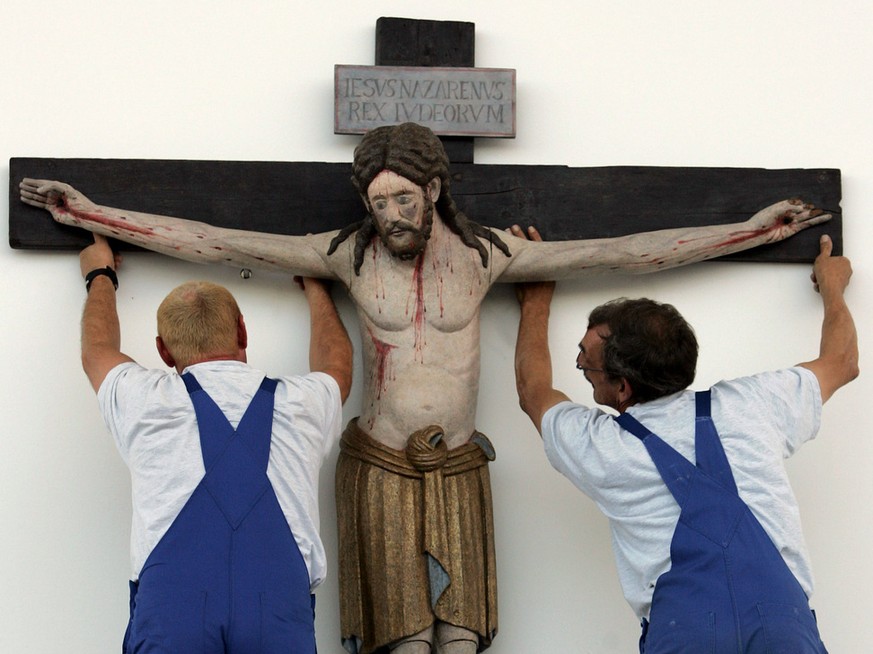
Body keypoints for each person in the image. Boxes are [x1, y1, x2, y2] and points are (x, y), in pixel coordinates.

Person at [21, 122, 830, 654]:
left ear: (434, 189)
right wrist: (102, 216)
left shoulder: (489, 257)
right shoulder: (347, 253)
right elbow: (218, 240)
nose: (391, 217)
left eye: (402, 199)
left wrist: (750, 231)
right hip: (376, 455)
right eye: (377, 204)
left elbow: (623, 254)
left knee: (463, 638)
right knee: (400, 642)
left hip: (457, 464)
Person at [513, 226, 857, 653]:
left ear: (622, 388)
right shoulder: (754, 403)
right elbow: (842, 362)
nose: (581, 362)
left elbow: (534, 392)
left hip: (686, 640)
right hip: (785, 633)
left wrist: (535, 301)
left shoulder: (604, 447)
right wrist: (833, 286)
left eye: (587, 364)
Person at [78, 232, 352, 653]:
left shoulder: (144, 401)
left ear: (164, 352)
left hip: (173, 614)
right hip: (277, 615)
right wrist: (315, 284)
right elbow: (336, 364)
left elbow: (97, 349)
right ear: (243, 330)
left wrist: (101, 274)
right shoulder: (303, 404)